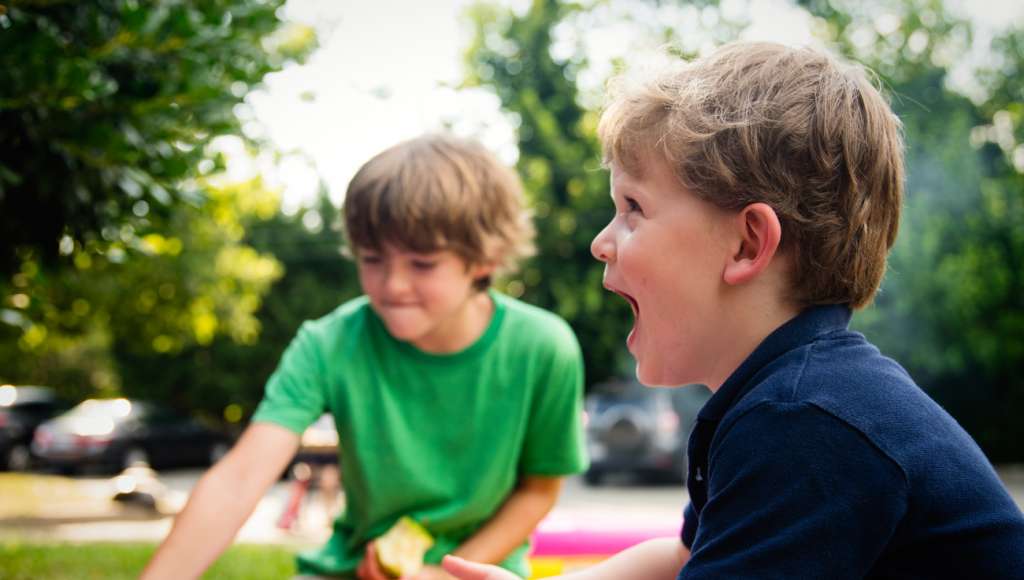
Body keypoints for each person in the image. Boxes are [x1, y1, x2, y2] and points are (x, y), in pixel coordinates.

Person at [441, 41, 1024, 580]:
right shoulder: (789, 395)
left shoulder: (803, 422)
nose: (601, 241)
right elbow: (684, 557)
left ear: (747, 244)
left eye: (633, 207)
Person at [141, 134, 589, 579]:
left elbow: (539, 489)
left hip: (479, 571)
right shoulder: (328, 343)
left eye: (422, 263)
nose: (392, 285)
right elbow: (238, 480)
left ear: (484, 259)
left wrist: (445, 573)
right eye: (372, 259)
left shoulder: (544, 347)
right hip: (351, 571)